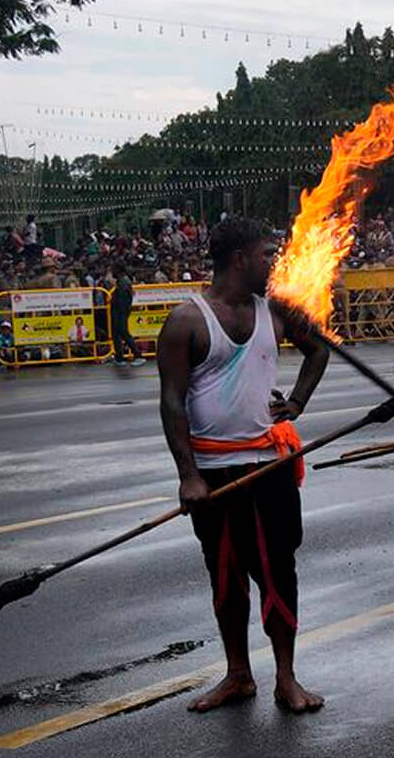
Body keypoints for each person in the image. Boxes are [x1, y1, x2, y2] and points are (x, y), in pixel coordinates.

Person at [156, 217, 330, 714]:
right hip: (214, 474)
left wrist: (296, 402)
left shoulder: (277, 310)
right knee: (226, 575)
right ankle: (238, 675)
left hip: (269, 466)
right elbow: (172, 402)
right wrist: (188, 476)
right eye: (265, 256)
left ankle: (286, 678)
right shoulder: (187, 321)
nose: (273, 265)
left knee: (279, 572)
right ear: (239, 261)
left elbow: (318, 350)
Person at [108, 268, 140, 363]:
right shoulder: (122, 281)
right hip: (118, 312)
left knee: (123, 332)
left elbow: (122, 301)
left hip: (120, 313)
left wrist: (121, 313)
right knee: (116, 334)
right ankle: (119, 357)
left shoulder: (123, 283)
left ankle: (137, 354)